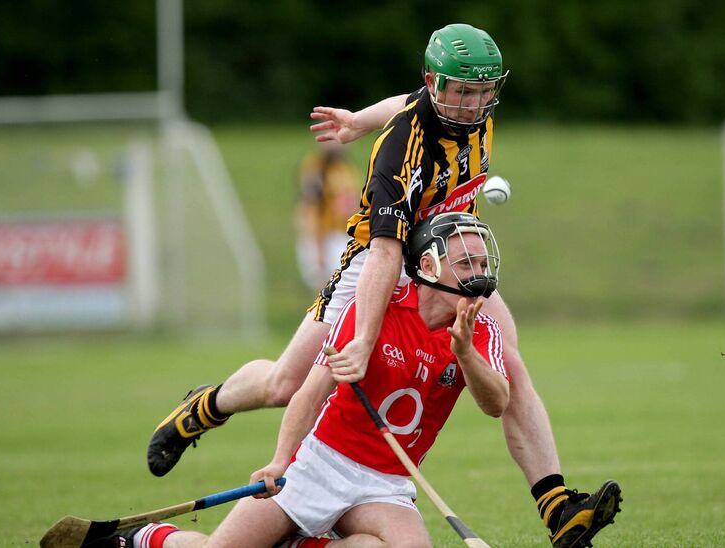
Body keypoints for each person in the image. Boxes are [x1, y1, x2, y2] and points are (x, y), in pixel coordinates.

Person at [147, 23, 621, 547]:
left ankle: (556, 506)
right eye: (461, 92)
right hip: (375, 260)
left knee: (506, 360)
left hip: (447, 255)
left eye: (482, 92)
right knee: (286, 384)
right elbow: (386, 253)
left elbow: (405, 99)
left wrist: (355, 121)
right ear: (437, 84)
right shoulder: (400, 152)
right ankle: (206, 407)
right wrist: (364, 341)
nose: (471, 104)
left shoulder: (467, 110)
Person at [95, 213, 511, 547]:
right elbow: (311, 394)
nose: (479, 274)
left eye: (481, 263)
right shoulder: (375, 312)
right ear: (428, 266)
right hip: (320, 464)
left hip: (385, 483)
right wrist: (280, 460)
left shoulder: (481, 331)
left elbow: (496, 404)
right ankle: (150, 538)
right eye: (466, 264)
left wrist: (465, 355)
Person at [294, 143, 360, 290]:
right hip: (326, 238)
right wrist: (318, 249)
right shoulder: (317, 169)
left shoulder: (345, 166)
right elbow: (313, 209)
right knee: (327, 292)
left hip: (343, 234)